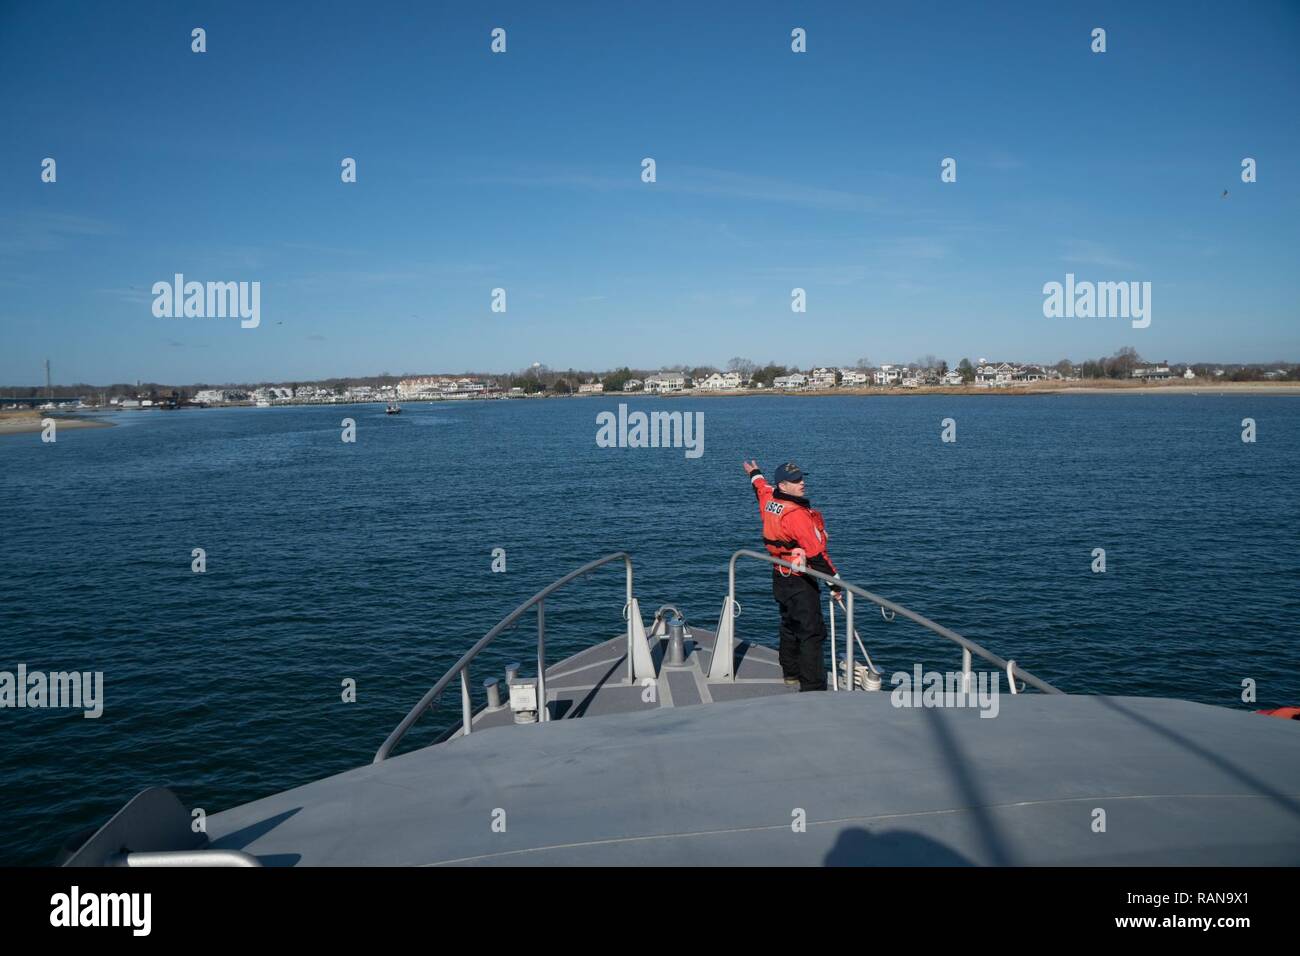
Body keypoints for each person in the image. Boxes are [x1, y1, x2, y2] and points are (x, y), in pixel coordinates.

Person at [742, 459, 843, 691]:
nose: (802, 483)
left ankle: (790, 673)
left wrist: (754, 472)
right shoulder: (796, 515)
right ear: (784, 486)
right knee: (812, 632)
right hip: (800, 581)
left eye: (801, 477)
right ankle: (813, 688)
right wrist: (835, 584)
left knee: (789, 623)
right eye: (796, 480)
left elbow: (760, 487)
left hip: (780, 577)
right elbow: (816, 556)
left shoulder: (771, 500)